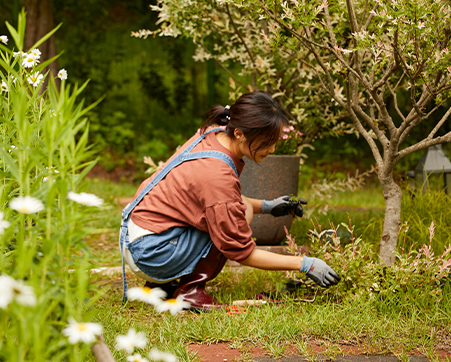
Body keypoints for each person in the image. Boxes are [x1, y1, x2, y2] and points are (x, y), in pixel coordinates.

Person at [119, 91, 340, 312]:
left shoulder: (212, 134)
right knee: (239, 215)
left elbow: (221, 201)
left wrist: (268, 206)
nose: (272, 149)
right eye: (266, 142)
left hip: (143, 239)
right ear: (240, 133)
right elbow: (241, 251)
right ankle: (189, 292)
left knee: (234, 209)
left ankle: (165, 285)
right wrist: (305, 264)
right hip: (152, 253)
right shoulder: (217, 174)